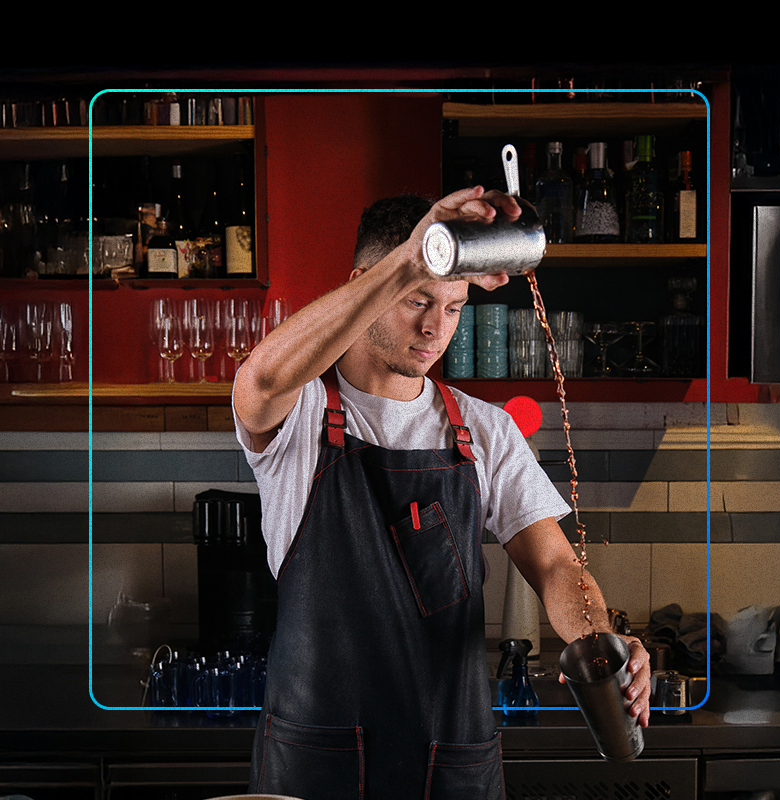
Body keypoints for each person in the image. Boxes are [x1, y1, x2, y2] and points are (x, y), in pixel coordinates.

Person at [233, 185, 651, 799]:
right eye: (416, 299)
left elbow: (557, 564)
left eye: (454, 307)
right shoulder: (296, 416)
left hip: (450, 761)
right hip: (315, 764)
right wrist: (409, 256)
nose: (436, 328)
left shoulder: (484, 429)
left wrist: (598, 641)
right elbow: (259, 377)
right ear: (365, 283)